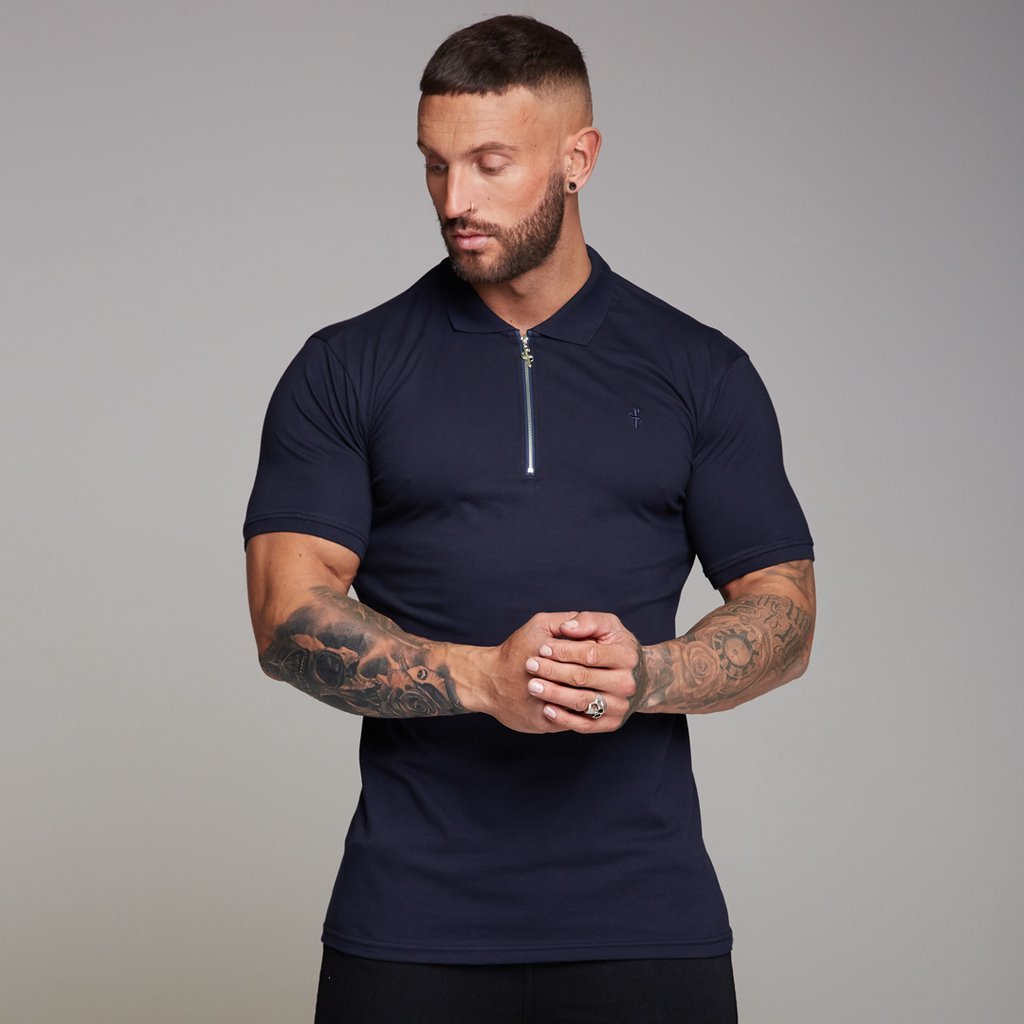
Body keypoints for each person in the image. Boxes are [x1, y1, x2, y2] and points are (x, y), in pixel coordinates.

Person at [243, 14, 815, 1023]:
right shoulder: (344, 368)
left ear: (577, 159)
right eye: (435, 164)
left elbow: (785, 609)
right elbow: (286, 618)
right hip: (410, 922)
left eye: (490, 163)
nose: (454, 200)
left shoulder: (700, 370)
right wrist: (483, 679)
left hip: (645, 922)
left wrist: (646, 675)